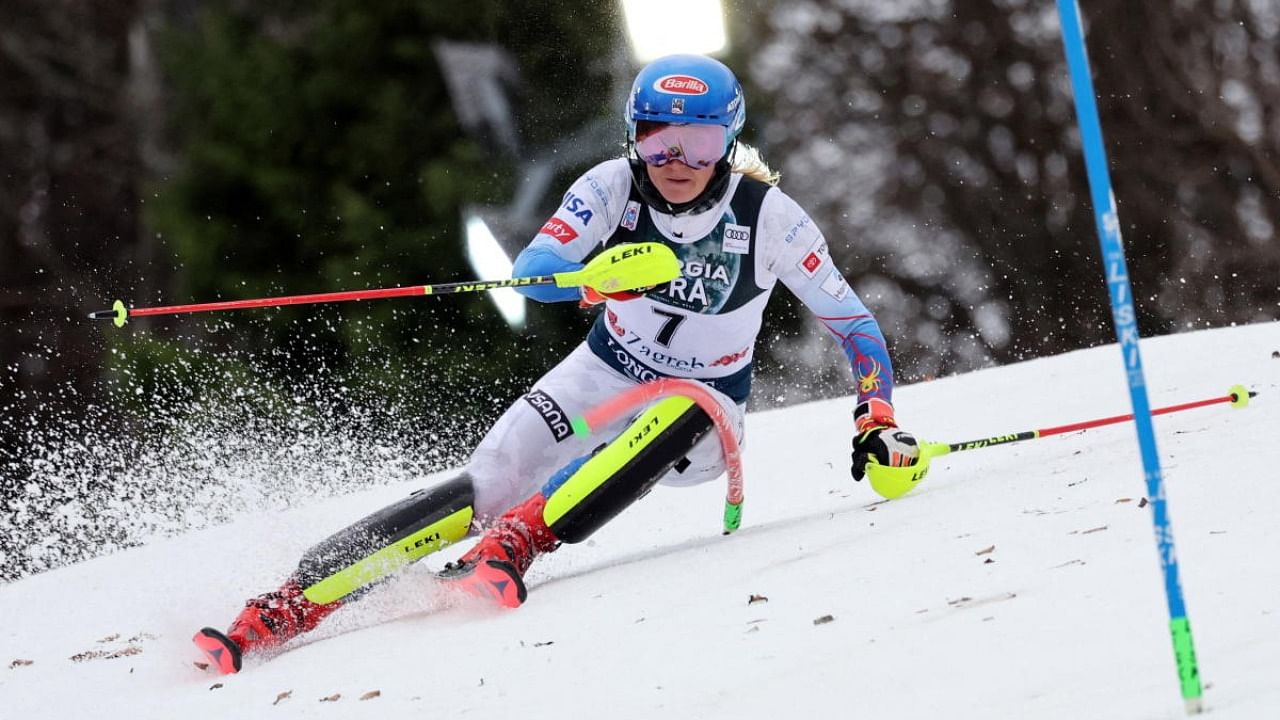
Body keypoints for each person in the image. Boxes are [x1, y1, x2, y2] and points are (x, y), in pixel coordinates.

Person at [193, 54, 920, 674]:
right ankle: (281, 610)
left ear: (727, 144)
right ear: (634, 138)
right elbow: (535, 267)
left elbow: (854, 325)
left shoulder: (769, 217)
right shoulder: (610, 187)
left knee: (684, 407)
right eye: (658, 140)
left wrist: (875, 417)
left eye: (698, 145)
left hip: (706, 403)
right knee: (487, 483)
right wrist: (592, 278)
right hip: (605, 367)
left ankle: (516, 543)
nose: (677, 162)